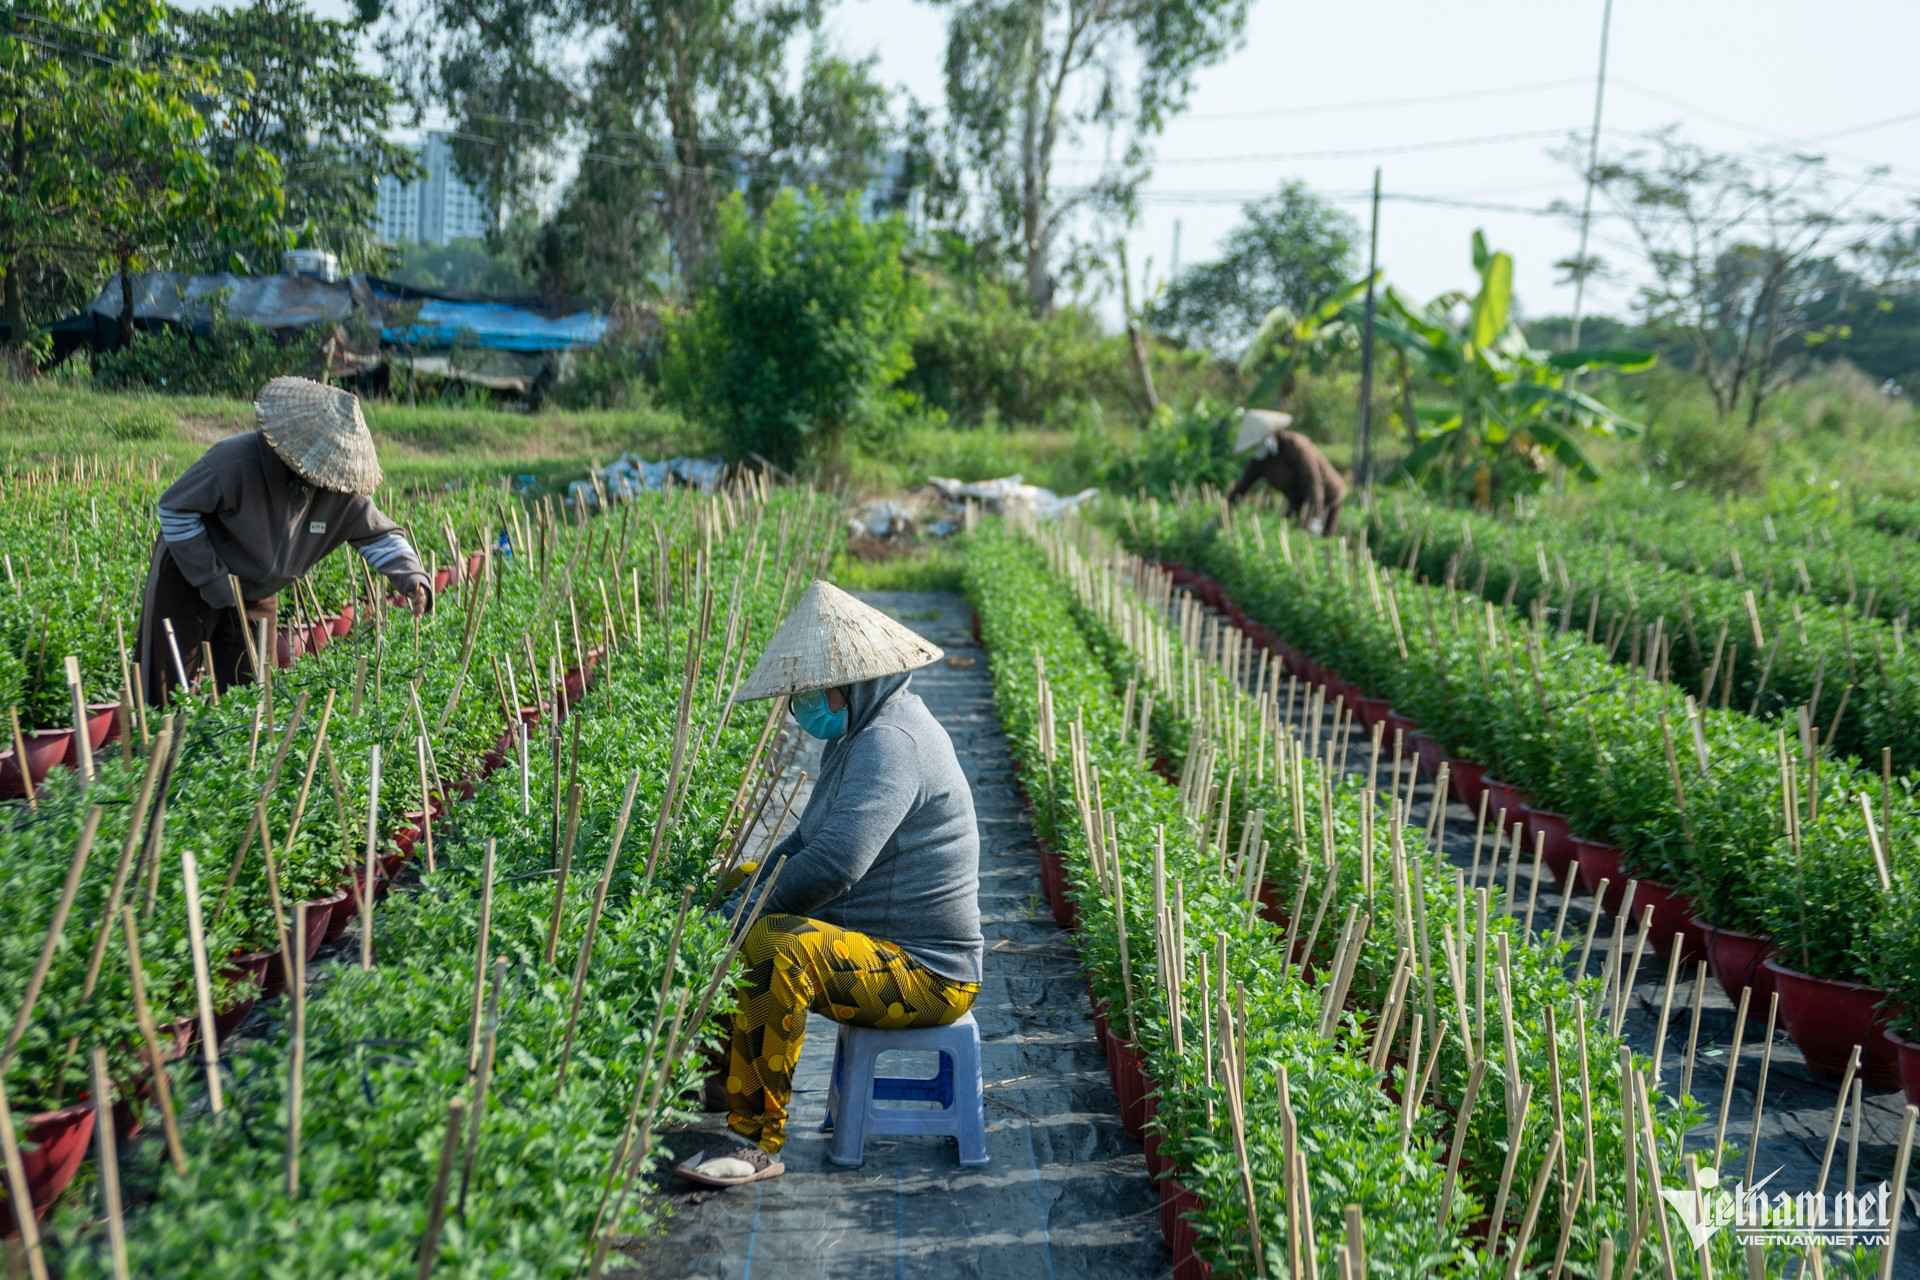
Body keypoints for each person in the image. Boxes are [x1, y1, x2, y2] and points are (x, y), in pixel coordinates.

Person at [674, 580, 983, 1188]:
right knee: (735, 891)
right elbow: (800, 846)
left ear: (853, 683)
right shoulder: (859, 734)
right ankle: (720, 1084)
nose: (802, 705)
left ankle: (753, 1139)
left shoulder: (891, 742)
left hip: (928, 973)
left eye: (814, 691)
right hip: (876, 940)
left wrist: (742, 919)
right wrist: (734, 897)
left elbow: (836, 865)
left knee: (773, 946)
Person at [138, 376, 432, 706]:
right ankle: (159, 754)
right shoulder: (235, 461)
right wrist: (212, 578)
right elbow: (174, 508)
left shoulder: (342, 490)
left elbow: (381, 536)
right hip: (190, 575)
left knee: (250, 699)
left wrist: (412, 579)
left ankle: (235, 754)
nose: (320, 480)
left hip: (257, 588)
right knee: (165, 691)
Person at [1225, 408, 1347, 535]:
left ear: (1267, 438)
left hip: (1326, 496)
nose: (1254, 449)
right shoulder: (1260, 460)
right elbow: (1243, 485)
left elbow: (1313, 482)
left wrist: (1316, 517)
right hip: (1298, 499)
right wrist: (1225, 510)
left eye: (1256, 445)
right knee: (1288, 533)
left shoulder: (1295, 447)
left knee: (1322, 539)